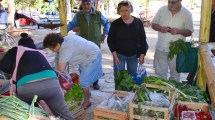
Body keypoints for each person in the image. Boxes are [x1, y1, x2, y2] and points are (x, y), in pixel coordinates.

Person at [0, 33, 74, 120]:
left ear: (20, 45)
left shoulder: (16, 49)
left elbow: (4, 66)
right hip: (52, 84)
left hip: (27, 88)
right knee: (65, 114)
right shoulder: (40, 52)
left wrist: (16, 69)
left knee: (28, 115)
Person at [43, 33, 103, 109]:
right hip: (87, 54)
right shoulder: (64, 40)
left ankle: (87, 101)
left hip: (93, 56)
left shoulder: (66, 49)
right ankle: (87, 92)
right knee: (84, 77)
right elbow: (58, 59)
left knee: (83, 81)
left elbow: (60, 70)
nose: (51, 51)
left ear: (57, 45)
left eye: (51, 48)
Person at [67, 0, 110, 90]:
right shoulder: (78, 15)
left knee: (95, 63)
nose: (86, 6)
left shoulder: (98, 14)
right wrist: (64, 31)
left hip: (95, 43)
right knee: (83, 62)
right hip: (83, 44)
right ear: (82, 5)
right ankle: (85, 81)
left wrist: (104, 34)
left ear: (91, 4)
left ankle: (95, 83)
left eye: (88, 4)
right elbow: (71, 24)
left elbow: (106, 23)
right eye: (84, 4)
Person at [151, 0, 194, 82]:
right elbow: (153, 24)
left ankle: (172, 93)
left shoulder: (187, 13)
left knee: (175, 76)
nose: (170, 4)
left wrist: (179, 31)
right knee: (159, 74)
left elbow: (190, 31)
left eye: (173, 2)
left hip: (176, 50)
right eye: (169, 2)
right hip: (161, 48)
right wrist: (160, 28)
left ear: (180, 1)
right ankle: (160, 93)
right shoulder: (162, 10)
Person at [107, 1, 148, 75]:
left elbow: (143, 39)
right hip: (119, 55)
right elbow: (110, 40)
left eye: (126, 10)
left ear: (130, 10)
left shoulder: (138, 22)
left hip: (133, 55)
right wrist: (115, 56)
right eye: (121, 11)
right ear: (119, 12)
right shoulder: (115, 24)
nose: (124, 13)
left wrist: (142, 55)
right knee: (119, 78)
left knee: (132, 78)